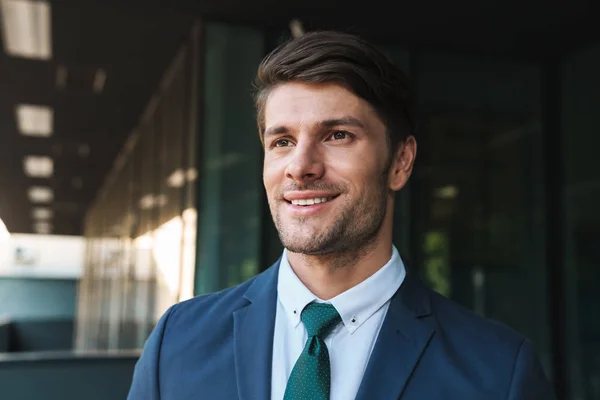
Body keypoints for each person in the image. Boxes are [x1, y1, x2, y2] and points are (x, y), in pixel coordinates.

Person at [127, 30, 555, 400]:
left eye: (337, 135)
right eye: (282, 141)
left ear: (401, 162)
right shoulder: (178, 341)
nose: (301, 165)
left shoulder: (498, 373)